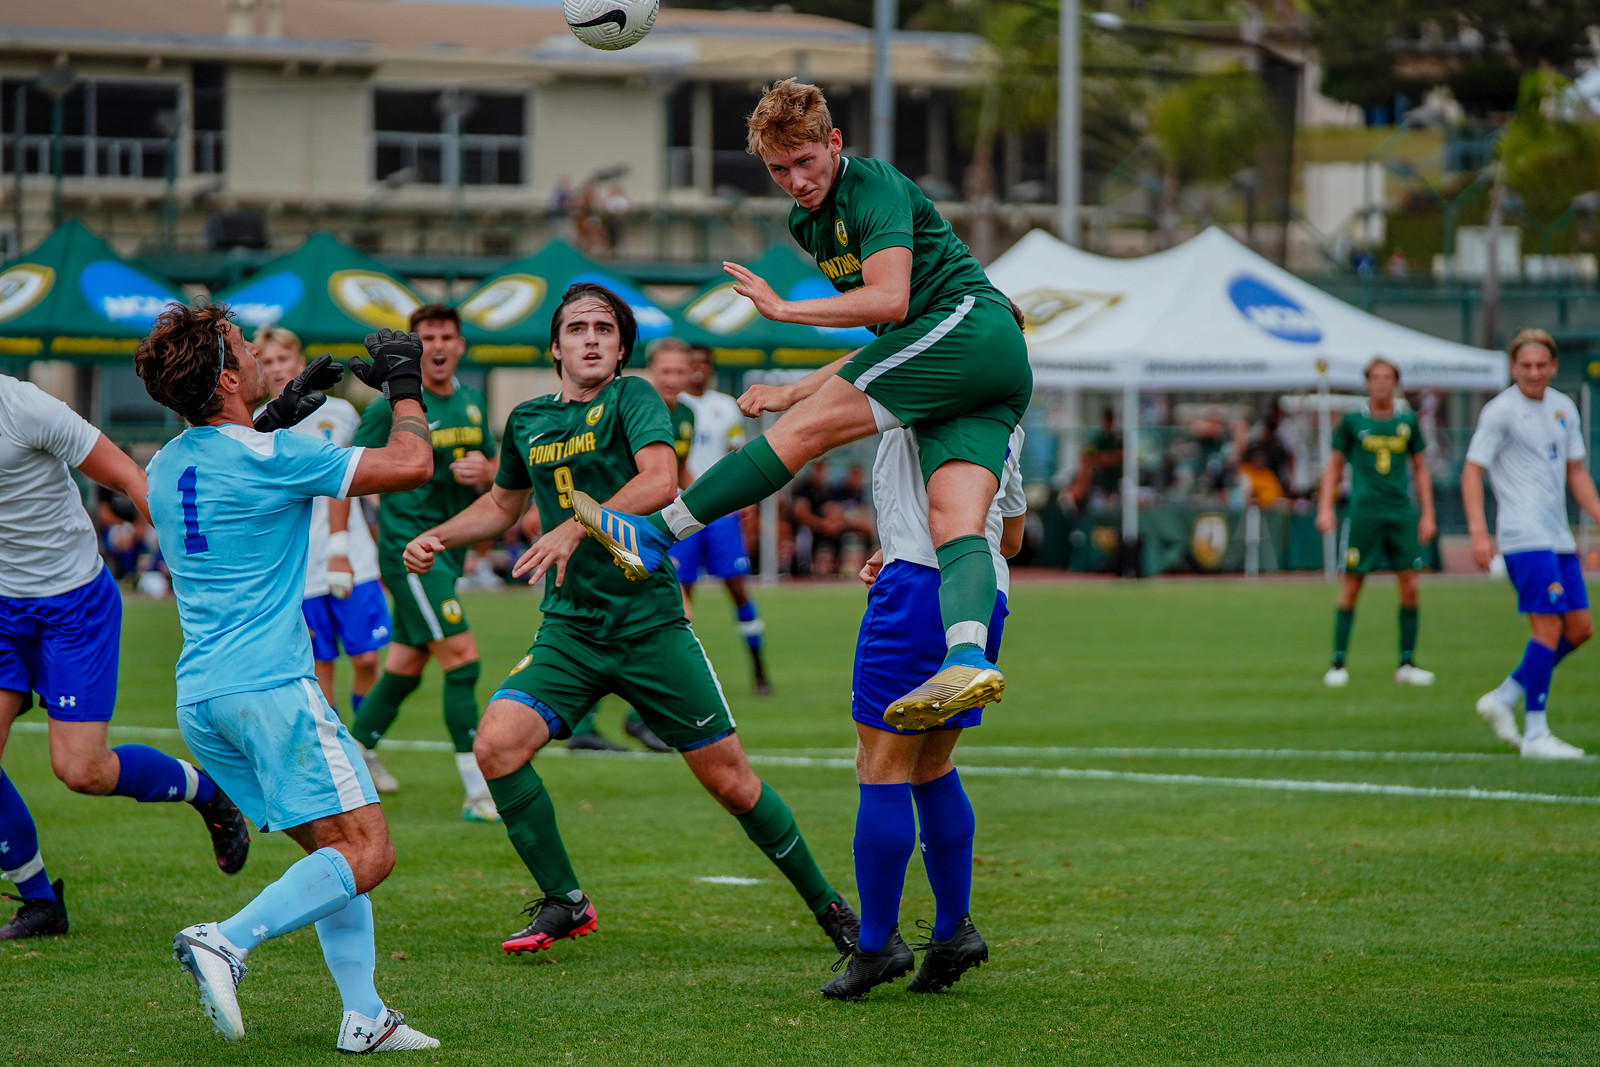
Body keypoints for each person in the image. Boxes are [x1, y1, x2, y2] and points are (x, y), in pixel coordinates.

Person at [402, 283, 860, 958]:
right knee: (496, 745)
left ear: (621, 349)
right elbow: (502, 504)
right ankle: (566, 898)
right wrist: (442, 534)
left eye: (606, 330)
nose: (592, 338)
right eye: (578, 328)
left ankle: (832, 907)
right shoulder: (526, 418)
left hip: (649, 624)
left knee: (731, 782)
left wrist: (576, 527)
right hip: (570, 629)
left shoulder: (634, 396)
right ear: (555, 346)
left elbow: (659, 481)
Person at [571, 78, 1031, 731]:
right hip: (977, 365)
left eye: (806, 162)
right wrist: (795, 389)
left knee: (803, 434)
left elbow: (891, 302)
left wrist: (786, 311)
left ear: (834, 142)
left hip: (968, 329)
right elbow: (894, 343)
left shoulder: (872, 186)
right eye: (779, 169)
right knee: (953, 521)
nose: (796, 179)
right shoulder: (807, 222)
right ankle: (966, 657)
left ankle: (655, 533)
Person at [135, 306, 438, 1050]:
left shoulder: (164, 464)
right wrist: (406, 385)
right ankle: (226, 940)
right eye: (244, 347)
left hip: (204, 698)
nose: (261, 354)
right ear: (229, 376)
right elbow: (412, 465)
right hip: (272, 687)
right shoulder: (272, 456)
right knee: (369, 852)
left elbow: (230, 463)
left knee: (331, 849)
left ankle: (363, 1014)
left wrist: (271, 415)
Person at [0, 375, 250, 940]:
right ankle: (39, 901)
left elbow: (129, 477)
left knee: (81, 771)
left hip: (72, 604)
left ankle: (207, 791)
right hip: (1, 608)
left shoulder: (26, 408)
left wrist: (191, 562)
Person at [824, 426, 1025, 1000]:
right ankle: (951, 931)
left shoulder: (922, 371)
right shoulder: (1006, 410)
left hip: (918, 585)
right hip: (984, 591)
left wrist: (904, 543)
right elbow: (1009, 537)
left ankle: (876, 944)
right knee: (932, 765)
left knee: (880, 764)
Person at [351, 305, 499, 821]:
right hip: (411, 553)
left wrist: (487, 468)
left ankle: (356, 750)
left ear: (460, 346)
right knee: (463, 660)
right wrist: (341, 546)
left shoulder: (473, 401)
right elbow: (346, 471)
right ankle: (479, 792)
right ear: (415, 348)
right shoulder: (390, 409)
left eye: (446, 337)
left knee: (407, 666)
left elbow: (499, 471)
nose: (438, 346)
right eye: (427, 337)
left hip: (449, 552)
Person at [256, 326, 399, 794]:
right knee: (321, 668)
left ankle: (366, 745)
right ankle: (343, 760)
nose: (278, 368)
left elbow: (337, 478)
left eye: (285, 359)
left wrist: (339, 548)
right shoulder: (258, 422)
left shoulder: (333, 411)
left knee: (366, 661)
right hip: (299, 570)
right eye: (269, 361)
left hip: (350, 559)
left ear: (301, 362)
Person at [1465, 329, 1600, 759]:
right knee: (1548, 627)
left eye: (1542, 365)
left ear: (1554, 367)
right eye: (1526, 365)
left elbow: (1576, 471)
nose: (1534, 372)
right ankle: (1536, 734)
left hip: (1558, 535)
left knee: (1580, 629)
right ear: (1513, 368)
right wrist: (1479, 532)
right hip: (1523, 536)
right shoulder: (1500, 411)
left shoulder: (1564, 408)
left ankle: (1504, 697)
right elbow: (1472, 471)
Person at [1316, 358, 1437, 687]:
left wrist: (1428, 512)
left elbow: (1421, 467)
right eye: (1375, 378)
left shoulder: (1407, 420)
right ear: (1367, 382)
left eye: (1387, 377)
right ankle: (1338, 664)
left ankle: (1407, 664)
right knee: (1353, 584)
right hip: (1364, 512)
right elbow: (1334, 465)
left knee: (1410, 584)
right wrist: (1325, 506)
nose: (1381, 383)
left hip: (1399, 512)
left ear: (1396, 382)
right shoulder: (1353, 420)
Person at [675, 343, 772, 692]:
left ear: (711, 368)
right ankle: (683, 677)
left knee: (738, 589)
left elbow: (736, 455)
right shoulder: (673, 406)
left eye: (703, 363)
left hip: (720, 512)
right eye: (692, 364)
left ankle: (758, 668)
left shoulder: (724, 407)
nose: (697, 369)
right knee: (681, 595)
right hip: (678, 511)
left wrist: (745, 500)